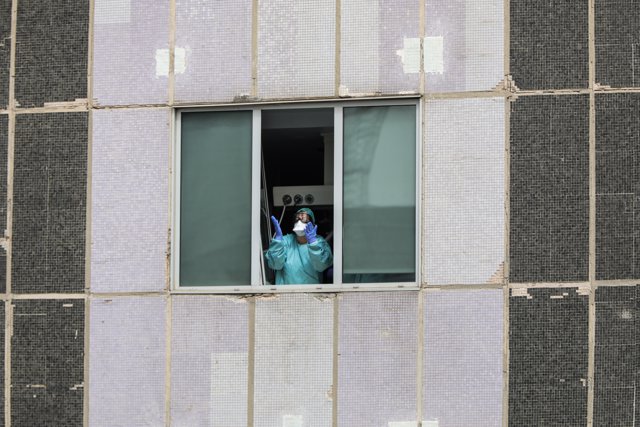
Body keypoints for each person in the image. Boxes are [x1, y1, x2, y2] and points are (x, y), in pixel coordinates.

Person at [265, 208, 333, 284]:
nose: (299, 222)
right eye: (297, 219)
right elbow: (275, 265)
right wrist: (277, 241)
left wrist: (314, 245)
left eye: (303, 219)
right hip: (286, 293)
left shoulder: (319, 242)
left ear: (312, 224)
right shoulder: (286, 241)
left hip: (312, 292)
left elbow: (321, 266)